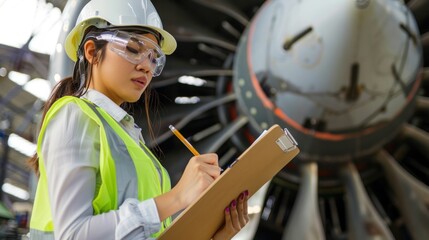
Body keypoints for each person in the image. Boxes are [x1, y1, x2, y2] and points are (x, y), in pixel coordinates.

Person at [27, 0, 249, 239]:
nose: (146, 67)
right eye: (133, 49)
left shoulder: (133, 142)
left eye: (154, 58)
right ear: (92, 52)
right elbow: (73, 234)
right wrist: (177, 197)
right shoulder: (74, 115)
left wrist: (216, 235)